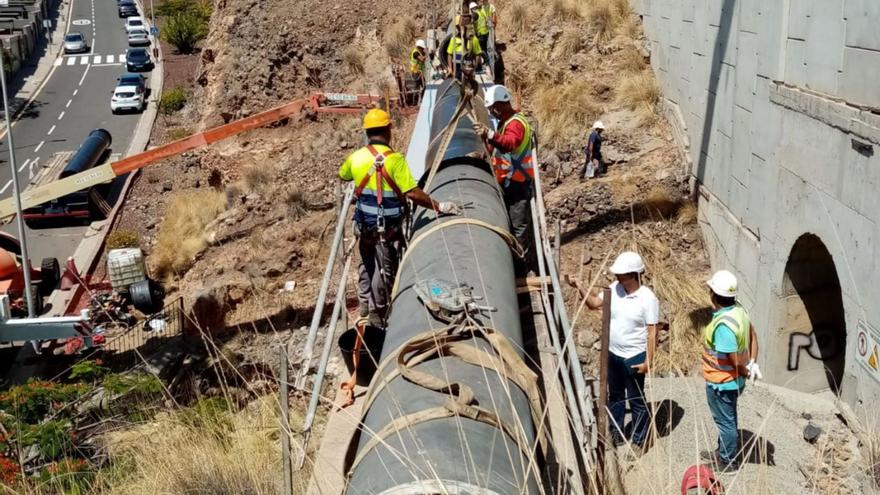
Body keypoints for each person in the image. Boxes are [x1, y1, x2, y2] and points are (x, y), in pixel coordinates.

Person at [339, 109, 460, 326]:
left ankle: (364, 307)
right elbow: (412, 193)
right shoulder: (395, 161)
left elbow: (343, 174)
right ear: (388, 130)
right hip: (384, 229)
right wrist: (439, 206)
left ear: (367, 132)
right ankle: (378, 316)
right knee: (383, 271)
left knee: (366, 265)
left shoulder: (355, 158)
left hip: (363, 226)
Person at [578, 251, 659, 454]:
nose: (617, 277)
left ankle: (640, 441)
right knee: (615, 396)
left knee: (637, 401)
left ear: (633, 274)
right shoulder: (615, 289)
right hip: (613, 353)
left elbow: (652, 332)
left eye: (621, 274)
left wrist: (648, 361)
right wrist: (580, 286)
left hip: (634, 356)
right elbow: (593, 304)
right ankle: (616, 432)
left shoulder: (648, 299)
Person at [700, 270, 761, 472]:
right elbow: (753, 336)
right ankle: (722, 452)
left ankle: (727, 461)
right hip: (733, 381)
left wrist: (744, 369)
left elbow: (732, 359)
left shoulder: (724, 326)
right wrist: (753, 362)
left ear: (713, 295)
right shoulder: (740, 311)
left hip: (722, 381)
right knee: (728, 418)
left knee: (726, 422)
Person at [472, 85, 533, 262]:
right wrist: (484, 155)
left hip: (517, 182)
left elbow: (509, 143)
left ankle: (520, 262)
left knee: (517, 224)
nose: (492, 113)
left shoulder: (515, 123)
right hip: (508, 181)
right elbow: (497, 146)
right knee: (508, 218)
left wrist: (489, 133)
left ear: (500, 105)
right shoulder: (505, 122)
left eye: (493, 109)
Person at [446, 14, 483, 80]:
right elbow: (449, 54)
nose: (459, 29)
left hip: (469, 69)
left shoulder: (473, 39)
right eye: (457, 27)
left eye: (460, 26)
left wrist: (475, 68)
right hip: (457, 69)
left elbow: (478, 54)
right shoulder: (454, 39)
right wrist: (450, 69)